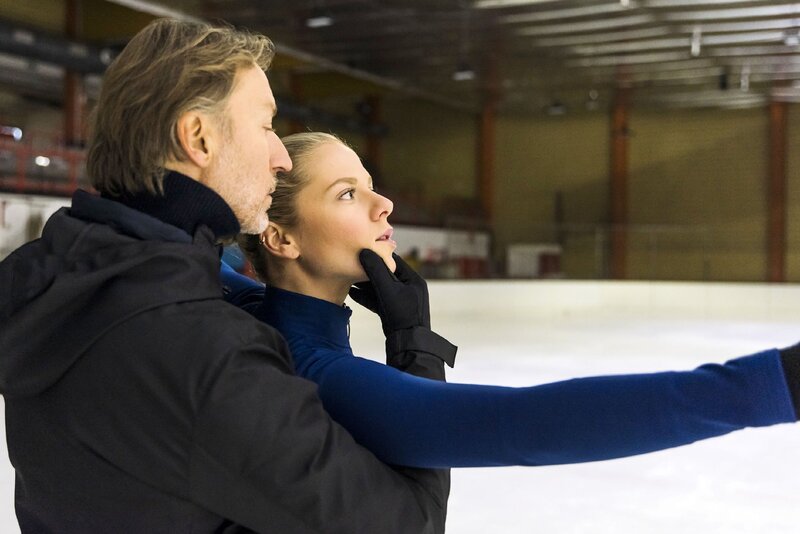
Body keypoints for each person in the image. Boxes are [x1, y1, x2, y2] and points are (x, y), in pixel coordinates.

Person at [0, 20, 452, 533]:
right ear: (198, 138)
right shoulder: (206, 353)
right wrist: (415, 340)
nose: (280, 155)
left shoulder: (61, 279)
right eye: (265, 126)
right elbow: (408, 524)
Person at [224, 131, 800, 470]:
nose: (384, 206)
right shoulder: (318, 373)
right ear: (281, 238)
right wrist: (765, 386)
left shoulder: (249, 301)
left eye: (370, 184)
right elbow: (522, 423)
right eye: (348, 194)